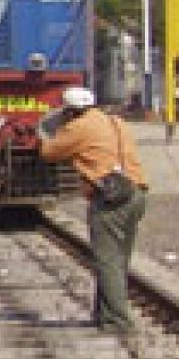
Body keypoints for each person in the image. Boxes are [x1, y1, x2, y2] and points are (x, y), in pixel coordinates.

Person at [37, 86, 148, 336]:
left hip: (110, 199)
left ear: (71, 111)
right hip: (136, 193)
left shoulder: (78, 127)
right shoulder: (116, 122)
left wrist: (44, 134)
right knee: (119, 259)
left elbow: (49, 153)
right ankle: (104, 315)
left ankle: (117, 321)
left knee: (107, 260)